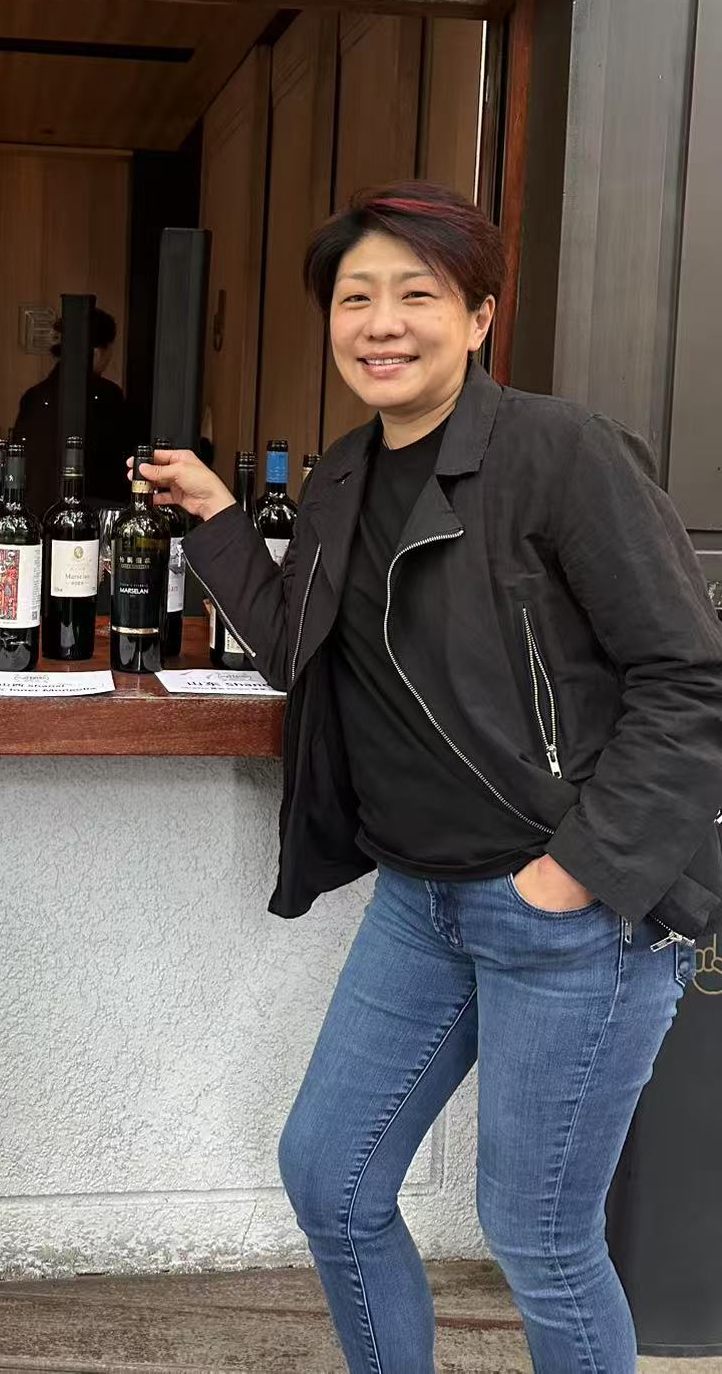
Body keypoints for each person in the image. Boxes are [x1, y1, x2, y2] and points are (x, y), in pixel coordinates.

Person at [138, 181, 722, 1374]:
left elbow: (686, 677)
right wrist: (216, 519)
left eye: (416, 293)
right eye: (354, 296)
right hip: (419, 901)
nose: (381, 322)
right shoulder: (343, 476)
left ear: (478, 316)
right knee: (330, 1176)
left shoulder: (558, 453)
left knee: (538, 1237)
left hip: (569, 914)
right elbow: (299, 647)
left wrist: (574, 875)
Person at [12, 307, 136, 517]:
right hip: (90, 516)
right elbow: (121, 466)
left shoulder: (33, 396)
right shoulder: (108, 396)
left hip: (34, 513)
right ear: (97, 352)